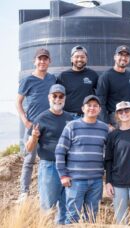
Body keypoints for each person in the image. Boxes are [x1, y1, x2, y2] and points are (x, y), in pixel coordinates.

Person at [55, 95, 108, 224]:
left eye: (95, 106)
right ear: (82, 108)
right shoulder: (72, 126)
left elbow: (108, 153)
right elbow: (60, 151)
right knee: (72, 217)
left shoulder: (104, 128)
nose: (92, 108)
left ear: (99, 109)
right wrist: (63, 175)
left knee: (92, 217)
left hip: (96, 181)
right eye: (89, 105)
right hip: (75, 181)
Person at [25, 84, 72, 224]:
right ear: (49, 97)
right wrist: (34, 137)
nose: (57, 99)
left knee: (66, 207)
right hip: (49, 168)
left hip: (69, 168)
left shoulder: (70, 118)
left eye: (61, 96)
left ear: (65, 98)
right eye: (54, 96)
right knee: (48, 208)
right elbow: (28, 148)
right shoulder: (41, 118)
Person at [16, 48, 56, 200]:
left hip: (50, 127)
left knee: (49, 160)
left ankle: (46, 191)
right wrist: (25, 121)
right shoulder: (27, 80)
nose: (42, 61)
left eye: (45, 59)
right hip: (34, 126)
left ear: (49, 61)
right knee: (29, 160)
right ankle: (24, 193)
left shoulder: (52, 79)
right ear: (35, 61)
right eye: (40, 59)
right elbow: (18, 102)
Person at [96, 45, 130, 127]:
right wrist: (107, 124)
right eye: (121, 55)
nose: (123, 58)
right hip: (115, 118)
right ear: (115, 57)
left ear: (129, 59)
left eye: (126, 55)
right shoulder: (106, 76)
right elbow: (101, 102)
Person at [57, 45, 98, 119]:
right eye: (76, 57)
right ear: (71, 59)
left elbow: (101, 94)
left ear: (86, 59)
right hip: (68, 117)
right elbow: (57, 97)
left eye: (82, 57)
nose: (79, 59)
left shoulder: (93, 75)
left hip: (88, 117)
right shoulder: (63, 76)